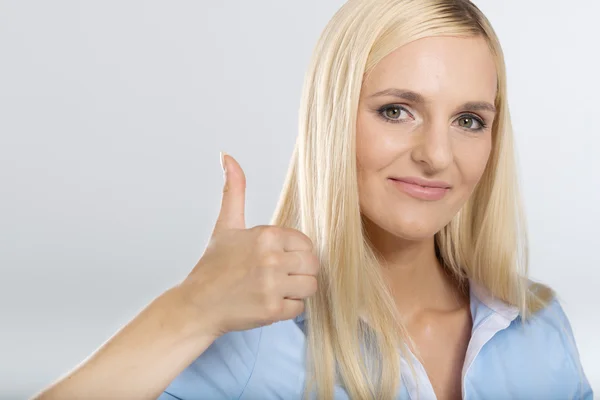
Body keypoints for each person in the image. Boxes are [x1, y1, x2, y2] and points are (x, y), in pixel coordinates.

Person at [33, 0, 593, 399]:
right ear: (331, 117)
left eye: (469, 120)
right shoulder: (254, 339)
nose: (437, 156)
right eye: (396, 110)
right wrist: (190, 309)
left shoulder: (537, 327)